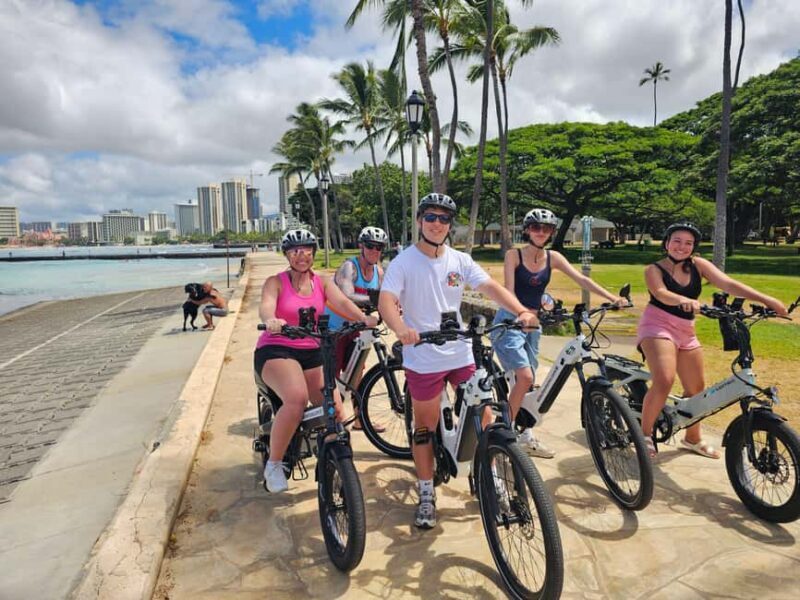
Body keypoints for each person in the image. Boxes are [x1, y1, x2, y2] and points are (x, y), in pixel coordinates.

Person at [378, 193, 538, 529]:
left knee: (484, 416)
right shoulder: (403, 262)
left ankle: (490, 476)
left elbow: (490, 287)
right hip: (422, 355)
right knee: (424, 426)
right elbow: (387, 301)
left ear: (451, 225)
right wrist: (401, 328)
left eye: (445, 219)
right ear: (420, 221)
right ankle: (426, 493)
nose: (438, 224)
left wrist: (521, 310)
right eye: (431, 217)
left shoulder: (459, 260)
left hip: (460, 352)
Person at [637, 222, 787, 459]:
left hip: (686, 329)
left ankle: (692, 438)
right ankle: (644, 434)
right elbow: (660, 293)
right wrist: (681, 300)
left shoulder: (698, 265)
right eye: (676, 241)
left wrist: (767, 299)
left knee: (696, 389)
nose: (681, 247)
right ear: (666, 243)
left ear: (694, 247)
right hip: (657, 325)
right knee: (664, 380)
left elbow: (728, 284)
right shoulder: (653, 269)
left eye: (688, 243)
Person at [491, 208, 625, 459]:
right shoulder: (514, 255)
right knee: (524, 377)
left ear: (552, 232)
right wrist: (521, 313)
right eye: (535, 227)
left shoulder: (554, 258)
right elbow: (508, 291)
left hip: (534, 325)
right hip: (511, 322)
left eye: (546, 228)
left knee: (529, 385)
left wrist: (612, 297)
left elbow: (581, 279)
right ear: (527, 230)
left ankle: (526, 435)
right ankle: (504, 435)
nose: (540, 232)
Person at [256, 229, 378, 493]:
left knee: (334, 406)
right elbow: (267, 304)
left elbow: (342, 303)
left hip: (311, 351)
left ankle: (338, 463)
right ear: (287, 254)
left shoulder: (321, 282)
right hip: (277, 350)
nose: (302, 255)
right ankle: (275, 464)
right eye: (295, 251)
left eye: (307, 250)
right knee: (297, 399)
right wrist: (271, 320)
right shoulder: (275, 282)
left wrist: (363, 318)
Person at [324, 226, 388, 431]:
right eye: (370, 246)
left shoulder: (379, 271)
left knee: (357, 374)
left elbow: (388, 295)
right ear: (361, 246)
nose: (374, 251)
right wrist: (377, 300)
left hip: (356, 328)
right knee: (332, 376)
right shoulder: (349, 267)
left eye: (379, 247)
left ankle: (360, 419)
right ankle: (330, 420)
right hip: (335, 328)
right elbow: (346, 294)